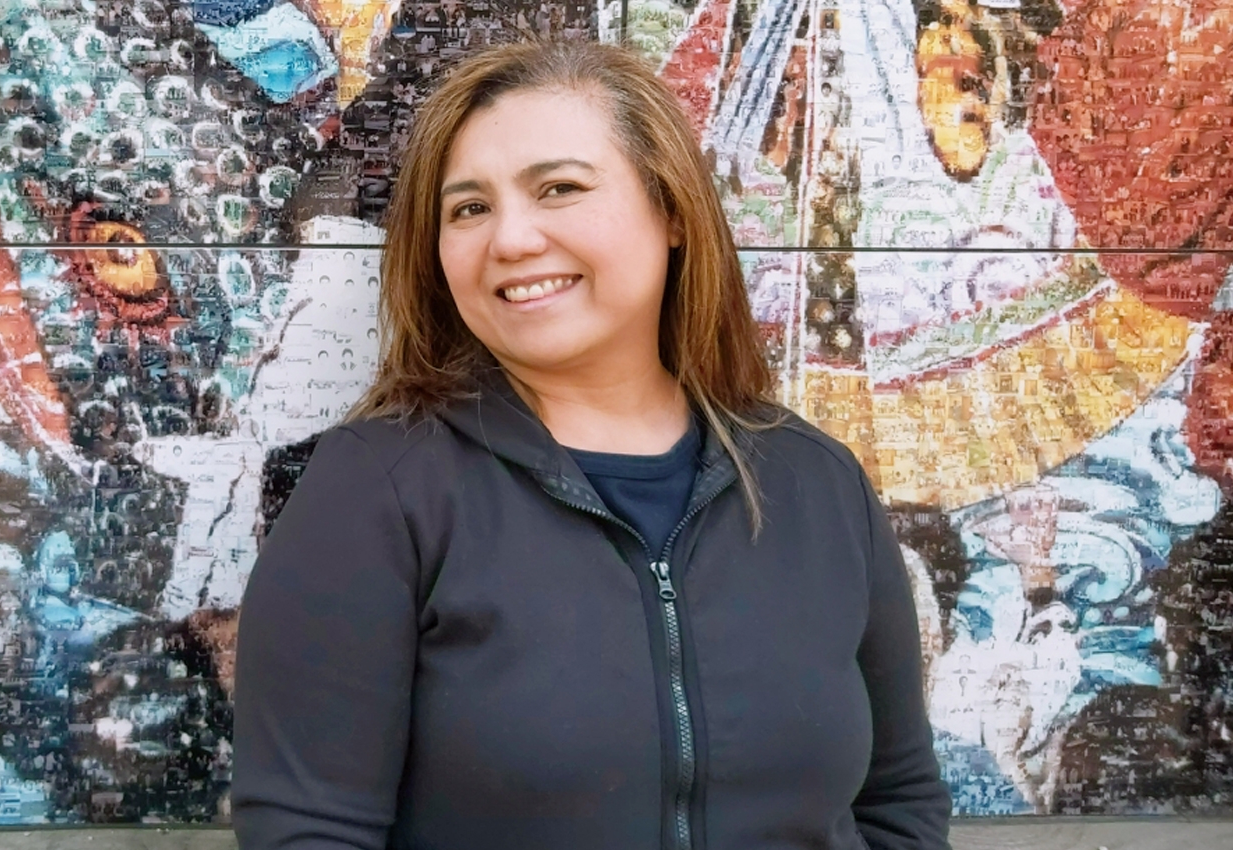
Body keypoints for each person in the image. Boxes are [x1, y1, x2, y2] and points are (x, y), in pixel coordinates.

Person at [230, 39, 953, 849]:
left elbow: (900, 803)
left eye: (559, 190)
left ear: (672, 210)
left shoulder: (816, 483)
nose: (509, 240)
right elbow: (306, 831)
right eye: (468, 208)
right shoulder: (379, 489)